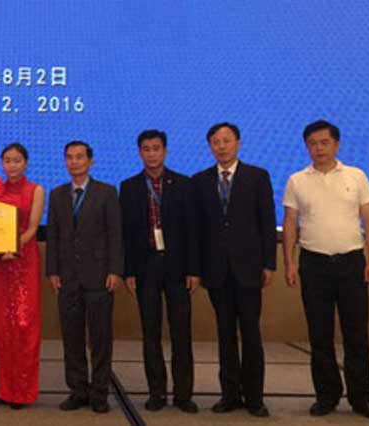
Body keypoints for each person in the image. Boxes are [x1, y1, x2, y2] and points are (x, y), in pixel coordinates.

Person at [281, 121, 369, 420]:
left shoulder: (356, 175)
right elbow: (290, 223)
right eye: (312, 143)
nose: (319, 148)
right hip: (314, 264)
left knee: (357, 335)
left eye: (324, 142)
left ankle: (362, 398)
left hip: (352, 263)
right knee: (319, 335)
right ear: (307, 147)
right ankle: (326, 396)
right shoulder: (297, 180)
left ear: (336, 144)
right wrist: (289, 262)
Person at [192, 122, 274, 418]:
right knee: (225, 334)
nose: (222, 146)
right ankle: (229, 394)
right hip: (216, 271)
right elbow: (197, 230)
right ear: (210, 146)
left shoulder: (257, 176)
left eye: (226, 140)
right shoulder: (199, 181)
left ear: (237, 143)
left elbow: (267, 222)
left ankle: (255, 398)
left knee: (251, 334)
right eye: (216, 141)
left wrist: (269, 263)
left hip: (250, 268)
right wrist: (197, 268)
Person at [119, 130, 199, 413]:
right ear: (139, 153)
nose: (151, 153)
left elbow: (193, 232)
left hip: (178, 268)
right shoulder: (128, 187)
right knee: (150, 332)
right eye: (146, 149)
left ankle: (183, 394)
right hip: (145, 268)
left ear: (165, 151)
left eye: (156, 148)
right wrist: (128, 271)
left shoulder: (184, 184)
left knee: (181, 332)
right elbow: (126, 234)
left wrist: (193, 269)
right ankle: (156, 392)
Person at [46, 141, 123, 414]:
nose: (74, 162)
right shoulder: (56, 195)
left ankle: (100, 392)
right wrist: (52, 271)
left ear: (90, 161)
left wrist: (115, 270)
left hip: (100, 276)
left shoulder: (106, 192)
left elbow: (115, 234)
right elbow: (53, 236)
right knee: (72, 336)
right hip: (67, 278)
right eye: (69, 157)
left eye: (80, 157)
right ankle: (78, 390)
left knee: (101, 337)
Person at [0, 143, 45, 409]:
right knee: (4, 327)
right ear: (2, 163)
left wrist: (14, 245)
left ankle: (23, 391)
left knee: (25, 325)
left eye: (17, 160)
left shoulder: (36, 190)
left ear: (26, 163)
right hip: (0, 264)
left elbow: (33, 227)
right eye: (7, 160)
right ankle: (7, 389)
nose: (12, 165)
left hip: (23, 260)